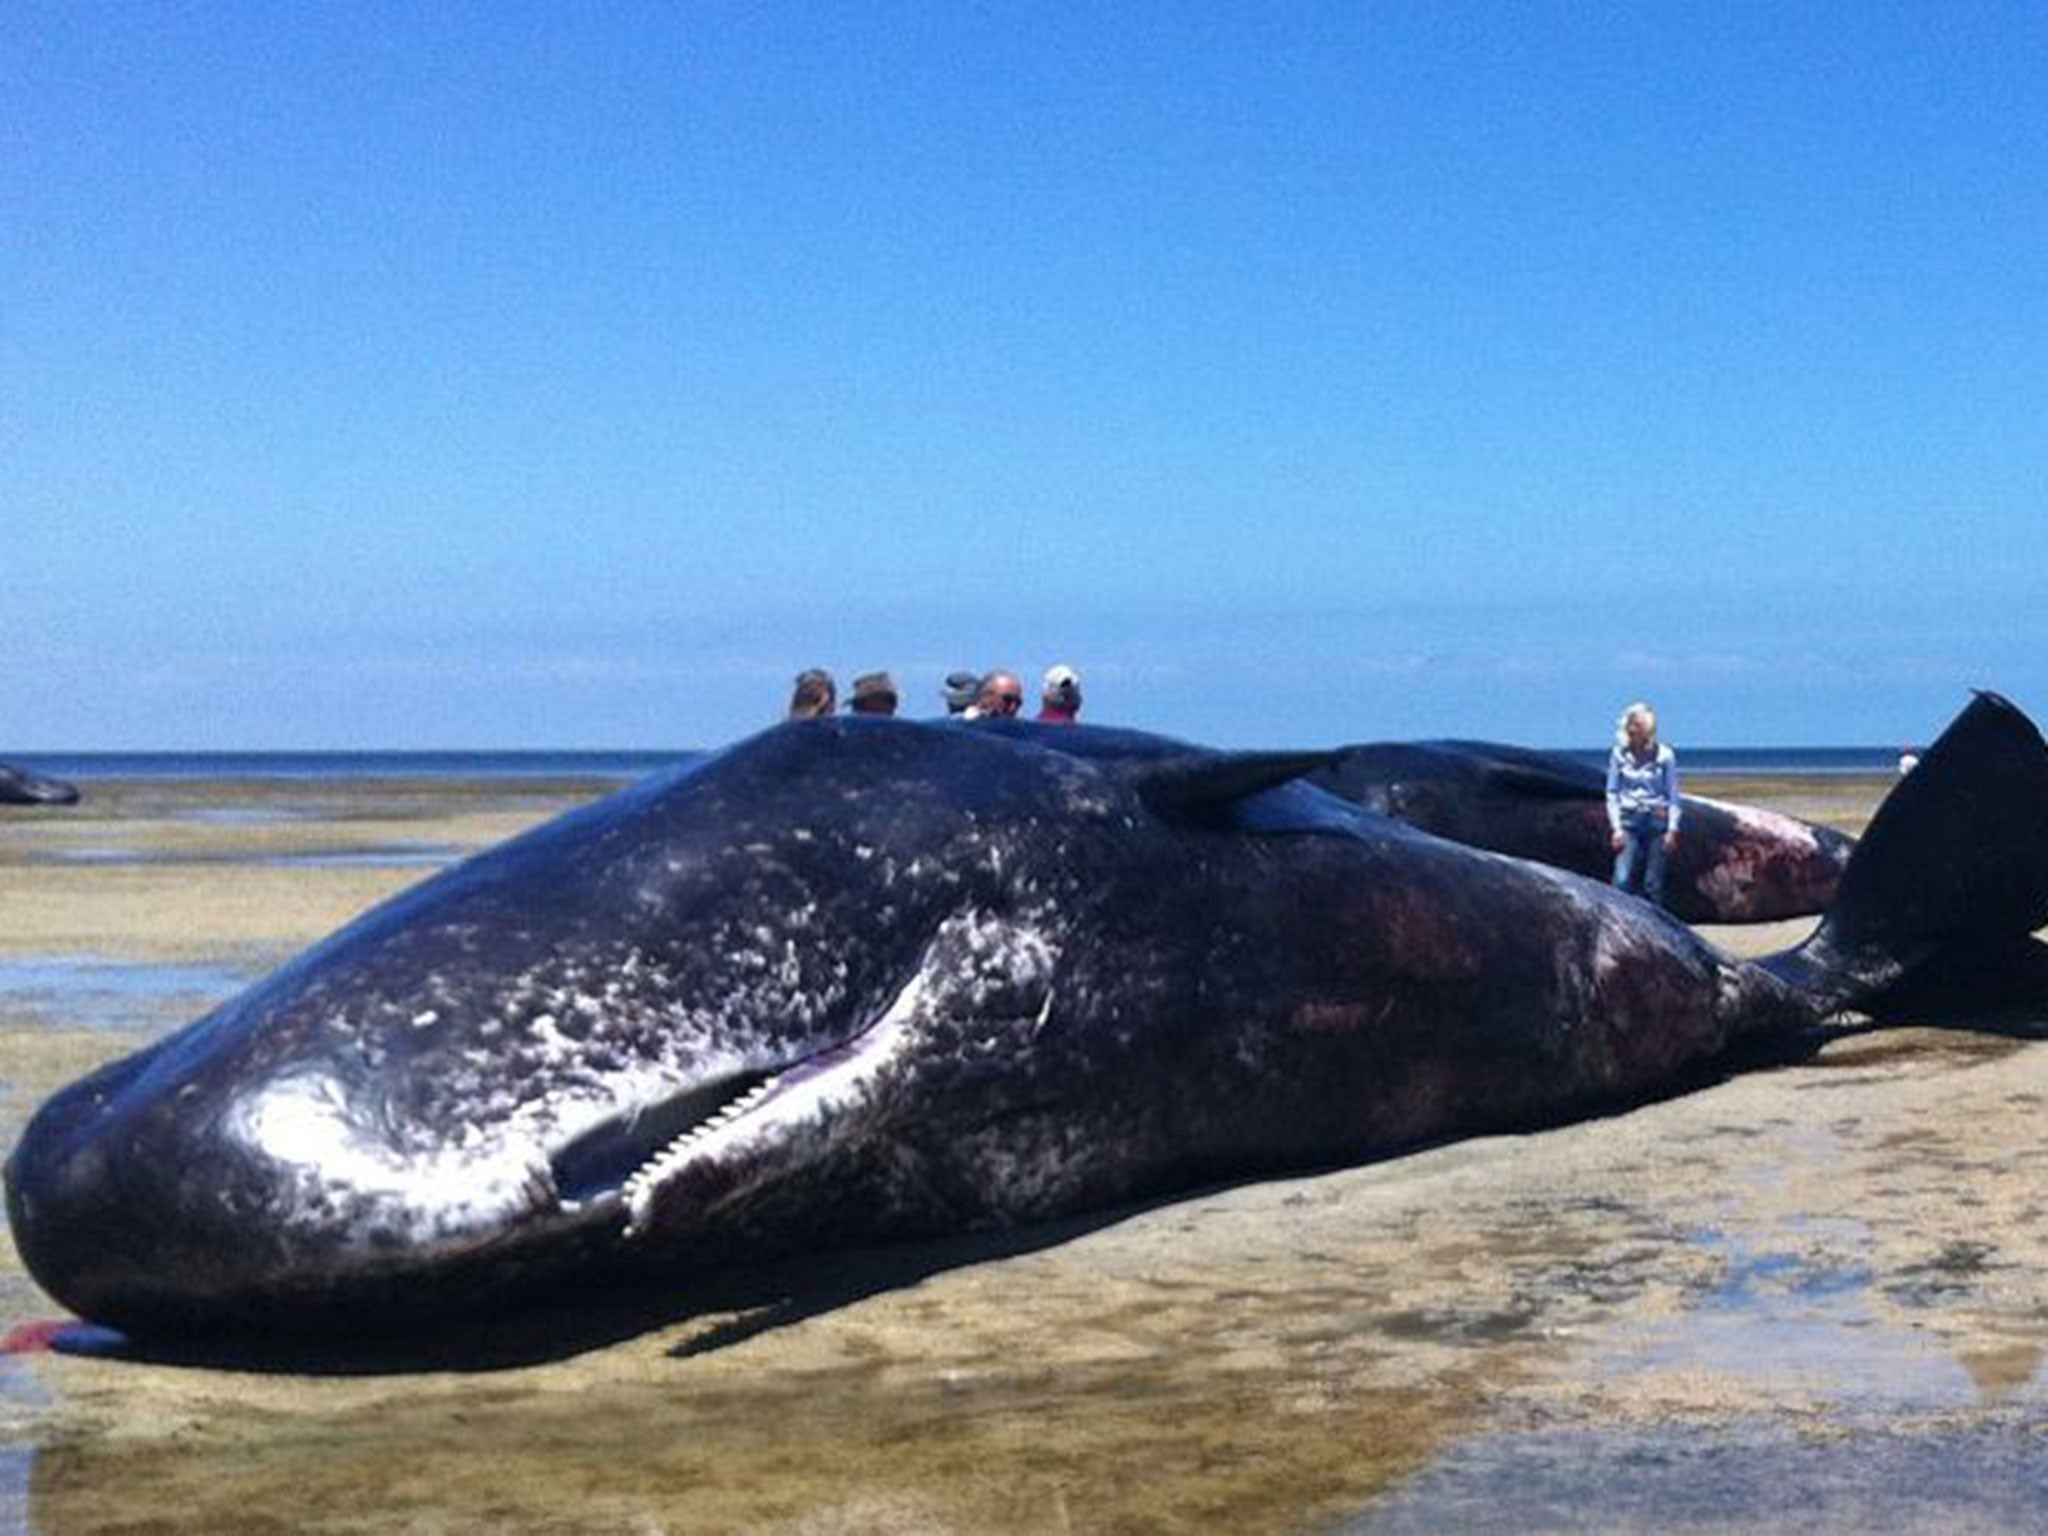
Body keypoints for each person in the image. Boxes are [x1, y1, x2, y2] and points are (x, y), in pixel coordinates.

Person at [1605, 701, 1680, 906]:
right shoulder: (1619, 754)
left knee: (1653, 884)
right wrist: (1616, 828)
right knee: (1622, 879)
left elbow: (1672, 794)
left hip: (1657, 818)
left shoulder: (1665, 755)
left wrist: (1672, 829)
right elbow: (1612, 792)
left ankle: (1657, 930)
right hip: (1629, 818)